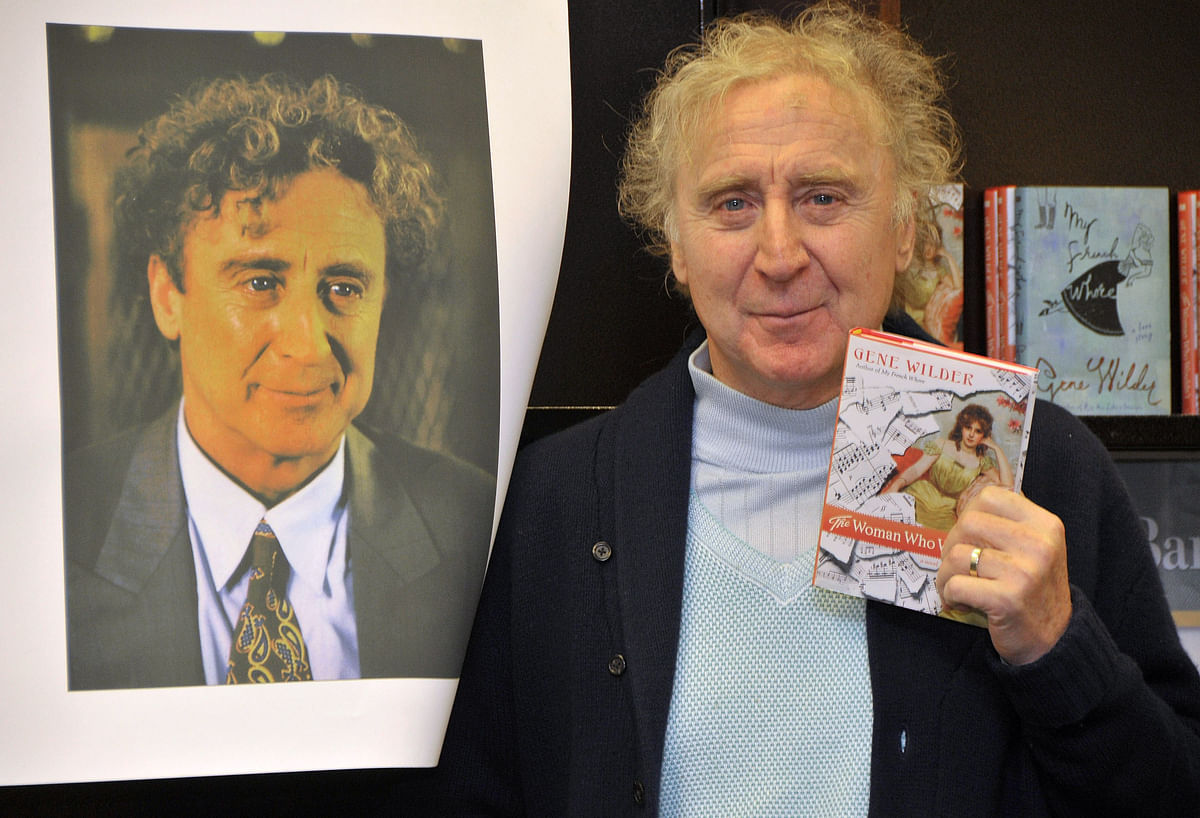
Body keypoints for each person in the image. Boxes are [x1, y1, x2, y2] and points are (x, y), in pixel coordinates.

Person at [438, 3, 1200, 815]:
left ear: (907, 228)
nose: (778, 254)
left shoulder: (1047, 473)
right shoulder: (552, 503)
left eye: (824, 197)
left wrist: (1059, 648)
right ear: (675, 245)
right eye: (731, 203)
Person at [64, 74, 495, 689]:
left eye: (344, 288)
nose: (307, 343)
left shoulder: (482, 532)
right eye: (259, 282)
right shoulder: (45, 539)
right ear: (167, 296)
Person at [884, 403, 1013, 529]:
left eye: (978, 431)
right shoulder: (942, 445)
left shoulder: (982, 462)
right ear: (961, 427)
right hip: (921, 496)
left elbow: (1008, 485)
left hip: (947, 512)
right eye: (968, 427)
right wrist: (896, 485)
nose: (971, 434)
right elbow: (916, 470)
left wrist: (996, 448)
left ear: (984, 436)